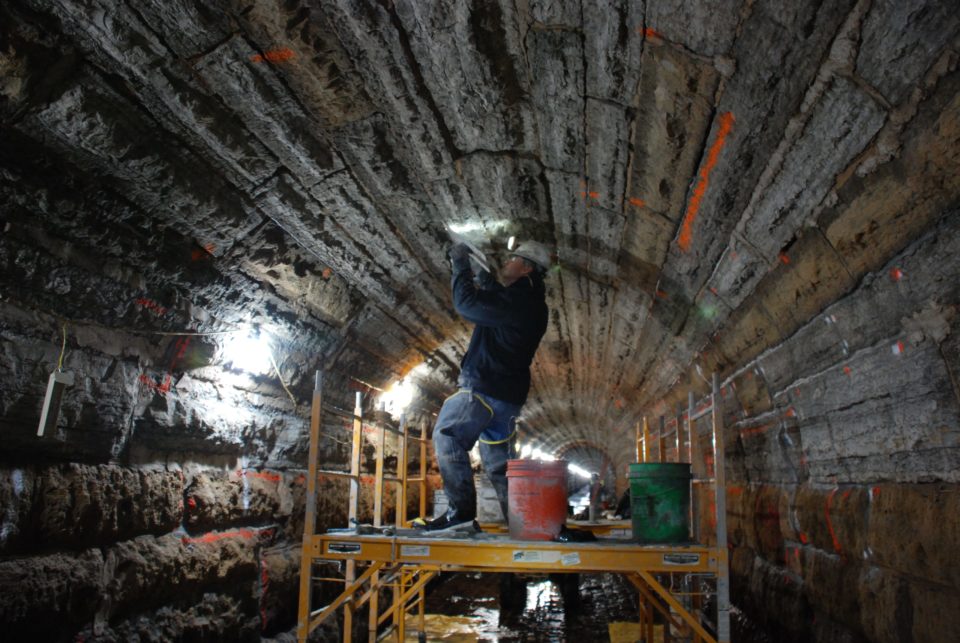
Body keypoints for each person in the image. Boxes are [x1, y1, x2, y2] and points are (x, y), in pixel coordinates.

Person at [424, 240, 551, 531]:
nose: (507, 263)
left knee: (448, 434)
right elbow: (500, 303)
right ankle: (522, 524)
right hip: (507, 401)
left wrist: (460, 265)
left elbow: (467, 304)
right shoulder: (531, 303)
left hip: (484, 390)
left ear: (526, 268)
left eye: (513, 260)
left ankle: (461, 514)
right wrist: (485, 278)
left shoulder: (519, 301)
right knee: (499, 465)